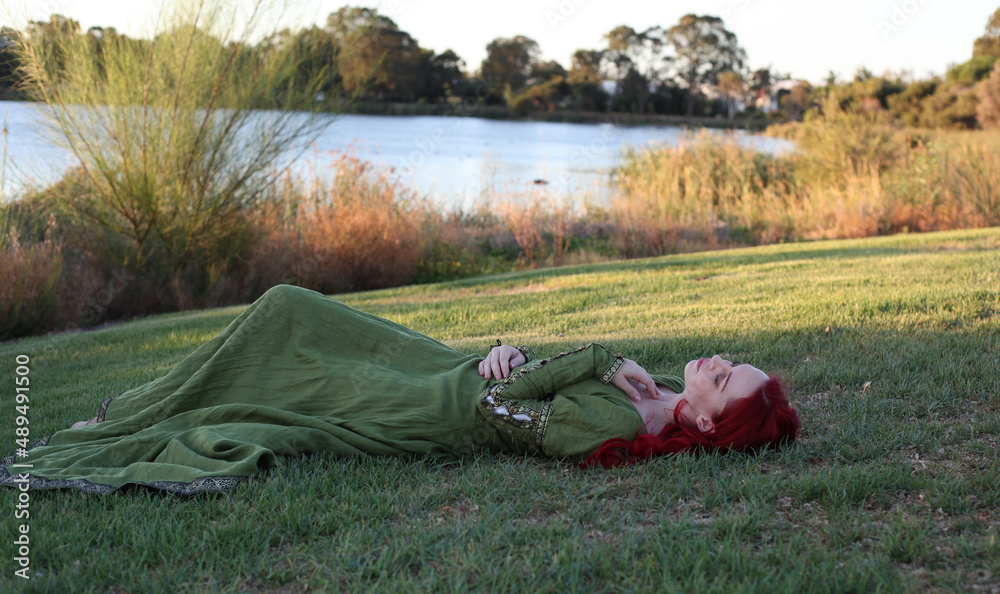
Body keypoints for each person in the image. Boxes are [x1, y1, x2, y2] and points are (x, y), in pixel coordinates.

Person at [0, 284, 799, 495]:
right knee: (287, 305)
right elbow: (512, 374)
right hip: (441, 364)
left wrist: (578, 355)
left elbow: (500, 409)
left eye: (723, 380)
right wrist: (506, 348)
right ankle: (137, 404)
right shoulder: (647, 387)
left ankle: (127, 423)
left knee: (281, 344)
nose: (715, 361)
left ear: (701, 420)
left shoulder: (607, 438)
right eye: (726, 363)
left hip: (431, 405)